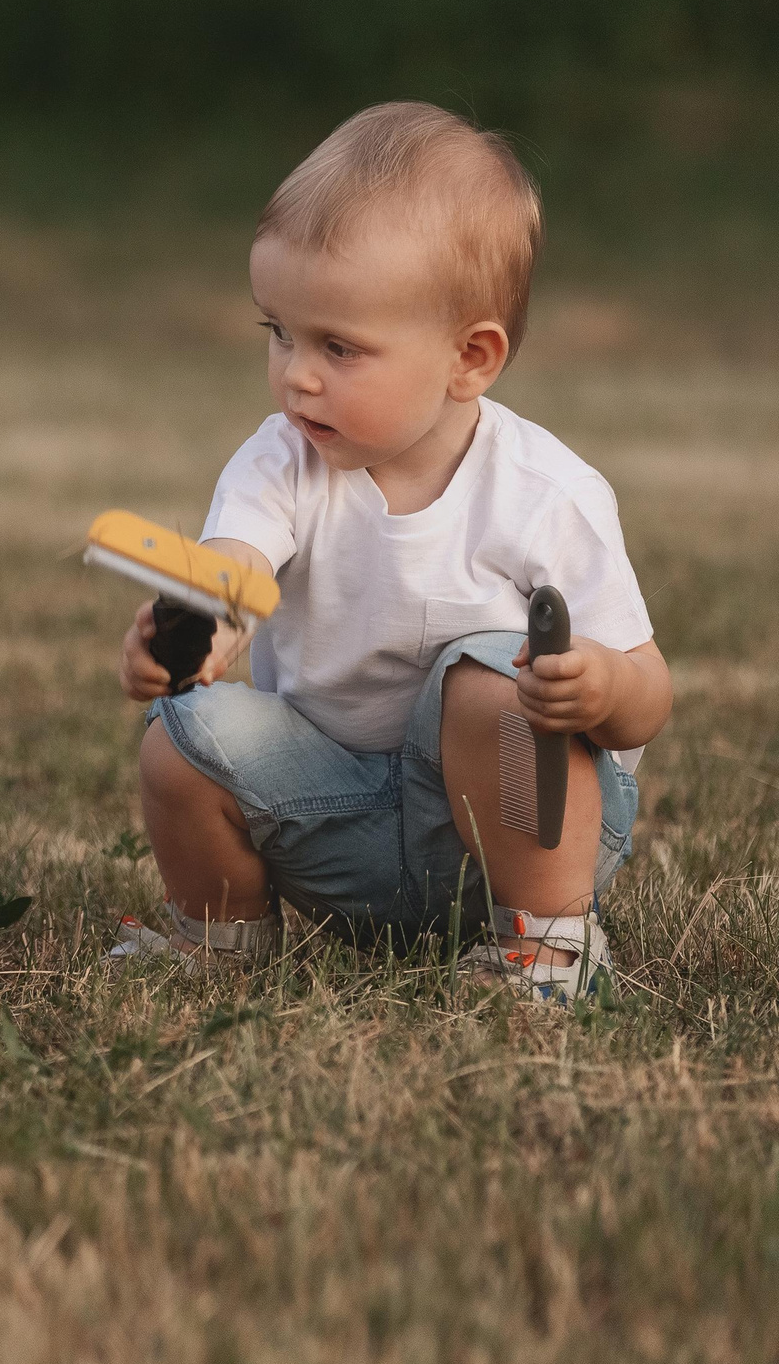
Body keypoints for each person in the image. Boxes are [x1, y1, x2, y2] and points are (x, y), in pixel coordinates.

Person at [110, 102, 671, 1000]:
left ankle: (544, 950)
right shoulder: (281, 459)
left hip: (514, 835)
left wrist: (600, 685)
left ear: (470, 358)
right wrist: (191, 632)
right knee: (183, 738)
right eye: (279, 332)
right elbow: (236, 569)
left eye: (340, 346)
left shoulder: (546, 494)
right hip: (334, 819)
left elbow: (647, 697)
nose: (297, 372)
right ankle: (218, 941)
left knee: (493, 680)